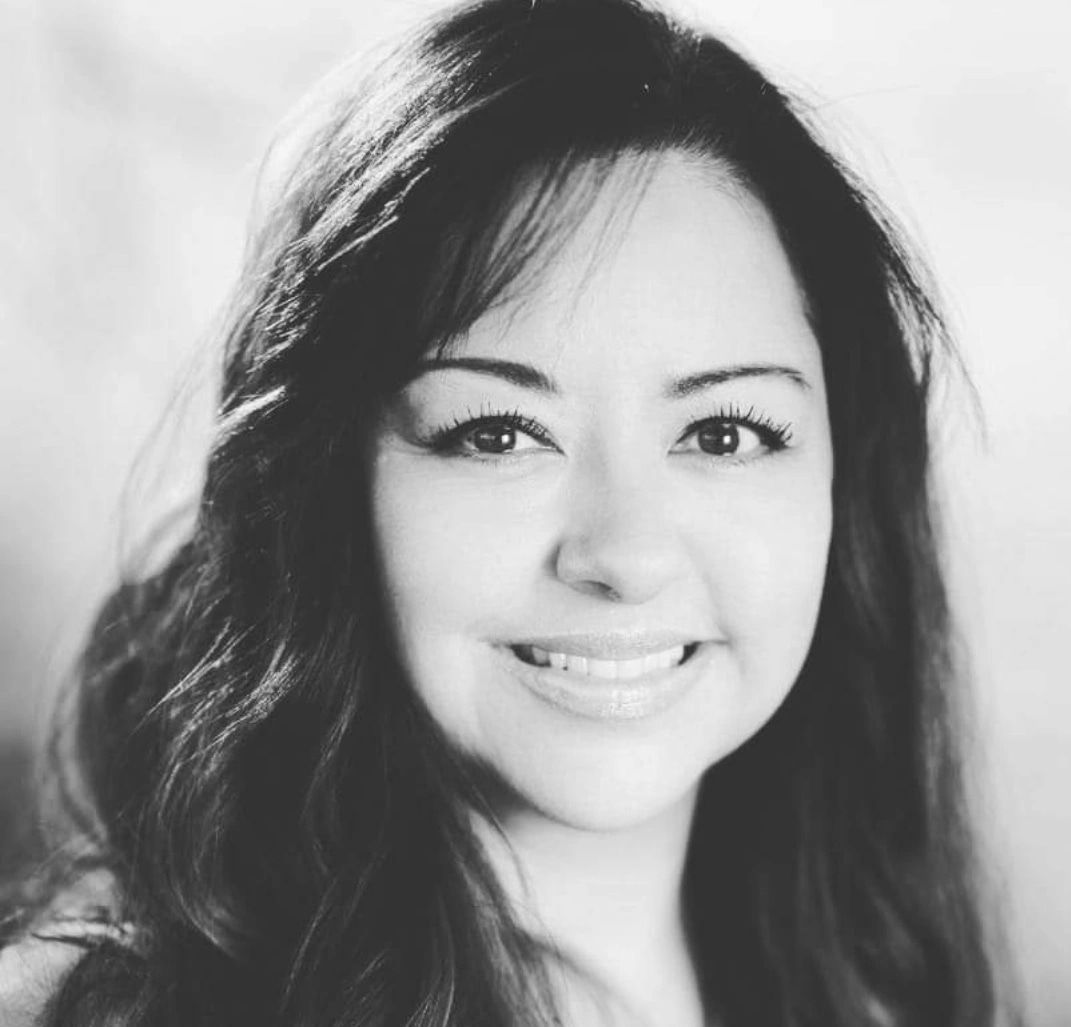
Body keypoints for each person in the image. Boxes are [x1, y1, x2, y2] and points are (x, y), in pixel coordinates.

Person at [0, 0, 1014, 1023]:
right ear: (323, 481)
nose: (623, 554)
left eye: (722, 433)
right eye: (497, 433)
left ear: (845, 480)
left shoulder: (892, 992)